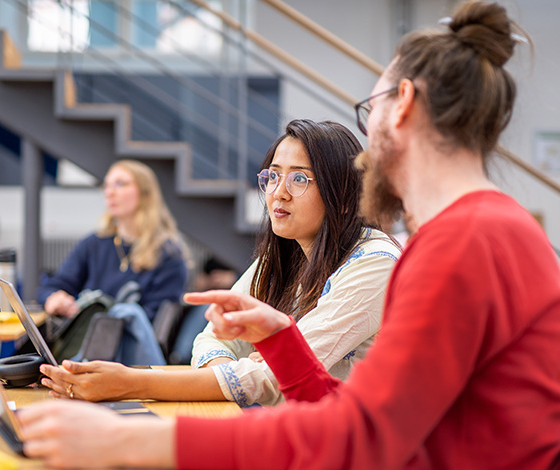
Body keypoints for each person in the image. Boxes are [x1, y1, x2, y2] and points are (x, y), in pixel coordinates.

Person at [16, 3, 560, 470]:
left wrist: (129, 442)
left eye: (371, 113)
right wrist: (283, 341)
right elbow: (369, 417)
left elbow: (360, 440)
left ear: (403, 104)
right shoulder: (488, 227)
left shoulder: (462, 242)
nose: (365, 151)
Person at [38, 119, 400, 406]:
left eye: (300, 178)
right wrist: (233, 373)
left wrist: (131, 382)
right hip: (291, 431)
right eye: (273, 175)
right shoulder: (282, 257)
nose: (279, 191)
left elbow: (277, 375)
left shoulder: (374, 263)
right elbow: (209, 339)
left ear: (345, 195)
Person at [36, 160, 188, 363]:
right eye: (106, 185)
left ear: (145, 194)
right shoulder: (94, 243)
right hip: (83, 346)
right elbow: (54, 285)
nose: (109, 192)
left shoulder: (168, 254)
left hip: (128, 356)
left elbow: (150, 325)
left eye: (120, 184)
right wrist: (55, 298)